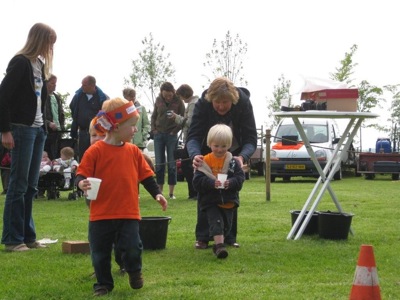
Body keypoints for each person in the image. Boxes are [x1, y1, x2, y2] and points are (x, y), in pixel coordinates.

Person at [75, 97, 168, 296]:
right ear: (116, 126)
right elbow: (81, 174)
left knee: (133, 246)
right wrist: (81, 183)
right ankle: (103, 284)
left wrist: (158, 194)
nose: (135, 130)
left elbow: (147, 177)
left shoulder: (134, 152)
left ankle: (134, 271)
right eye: (132, 125)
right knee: (100, 253)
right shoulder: (95, 151)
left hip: (128, 213)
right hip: (100, 214)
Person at [0, 23, 57, 252]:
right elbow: (2, 97)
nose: (51, 47)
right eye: (50, 42)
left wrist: (43, 126)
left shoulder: (40, 65)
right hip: (21, 130)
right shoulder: (20, 62)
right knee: (18, 185)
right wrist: (5, 130)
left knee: (31, 186)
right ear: (40, 39)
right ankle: (13, 239)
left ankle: (28, 236)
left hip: (37, 130)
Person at [186, 77, 257, 249]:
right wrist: (195, 155)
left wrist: (242, 157)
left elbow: (250, 138)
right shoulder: (203, 103)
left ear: (233, 99)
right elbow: (193, 136)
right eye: (217, 102)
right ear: (211, 100)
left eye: (225, 102)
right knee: (206, 192)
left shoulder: (244, 103)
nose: (221, 106)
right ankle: (203, 237)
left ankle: (229, 237)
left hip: (234, 152)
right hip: (207, 151)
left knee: (229, 191)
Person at [193, 124, 245, 258]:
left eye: (223, 146)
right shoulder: (204, 161)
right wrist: (212, 183)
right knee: (216, 221)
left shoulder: (233, 162)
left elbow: (240, 178)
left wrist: (231, 183)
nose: (220, 149)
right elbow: (197, 182)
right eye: (216, 146)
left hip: (228, 200)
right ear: (209, 144)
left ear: (229, 145)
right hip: (210, 201)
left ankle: (229, 240)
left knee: (227, 223)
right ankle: (218, 247)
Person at [150, 82, 185, 199]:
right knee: (159, 164)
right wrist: (153, 129)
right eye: (165, 95)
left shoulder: (179, 101)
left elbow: (183, 119)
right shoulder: (158, 100)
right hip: (158, 135)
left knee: (171, 164)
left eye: (169, 95)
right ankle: (160, 192)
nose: (168, 97)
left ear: (173, 92)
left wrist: (174, 131)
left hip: (171, 135)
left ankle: (171, 193)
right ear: (161, 93)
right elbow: (154, 116)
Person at [69, 75, 109, 161]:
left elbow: (108, 113)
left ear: (92, 85)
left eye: (84, 85)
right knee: (83, 156)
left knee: (98, 155)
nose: (82, 87)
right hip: (83, 132)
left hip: (98, 134)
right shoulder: (78, 96)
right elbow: (72, 107)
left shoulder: (103, 98)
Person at [173, 84, 199, 199]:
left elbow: (190, 123)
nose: (181, 99)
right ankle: (193, 193)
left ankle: (193, 193)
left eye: (181, 96)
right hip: (191, 139)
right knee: (187, 165)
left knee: (187, 166)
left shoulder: (193, 104)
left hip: (191, 139)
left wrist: (176, 117)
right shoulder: (195, 102)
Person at [44, 74, 65, 160]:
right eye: (52, 83)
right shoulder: (42, 97)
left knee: (56, 156)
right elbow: (38, 115)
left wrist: (62, 127)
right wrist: (48, 123)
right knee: (45, 156)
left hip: (57, 132)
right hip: (45, 132)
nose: (55, 85)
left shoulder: (57, 98)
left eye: (55, 83)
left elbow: (61, 114)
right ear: (46, 83)